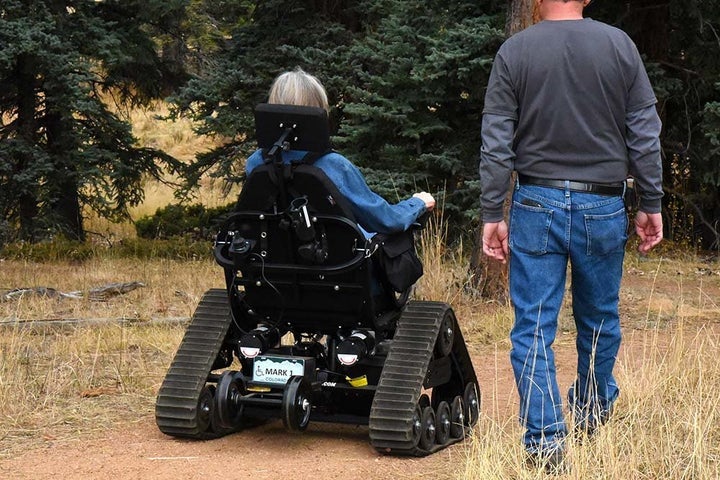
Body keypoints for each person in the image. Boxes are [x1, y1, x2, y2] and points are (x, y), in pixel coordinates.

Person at [479, 0, 663, 472]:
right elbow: (643, 133)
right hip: (602, 203)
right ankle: (591, 416)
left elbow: (497, 140)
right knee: (600, 317)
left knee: (533, 326)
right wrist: (651, 202)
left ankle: (544, 443)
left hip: (535, 202)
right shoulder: (619, 46)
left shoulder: (515, 51)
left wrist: (491, 211)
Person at [246, 68, 435, 237]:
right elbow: (385, 221)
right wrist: (417, 204)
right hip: (336, 271)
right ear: (319, 112)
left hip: (273, 269)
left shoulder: (256, 163)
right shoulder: (333, 166)